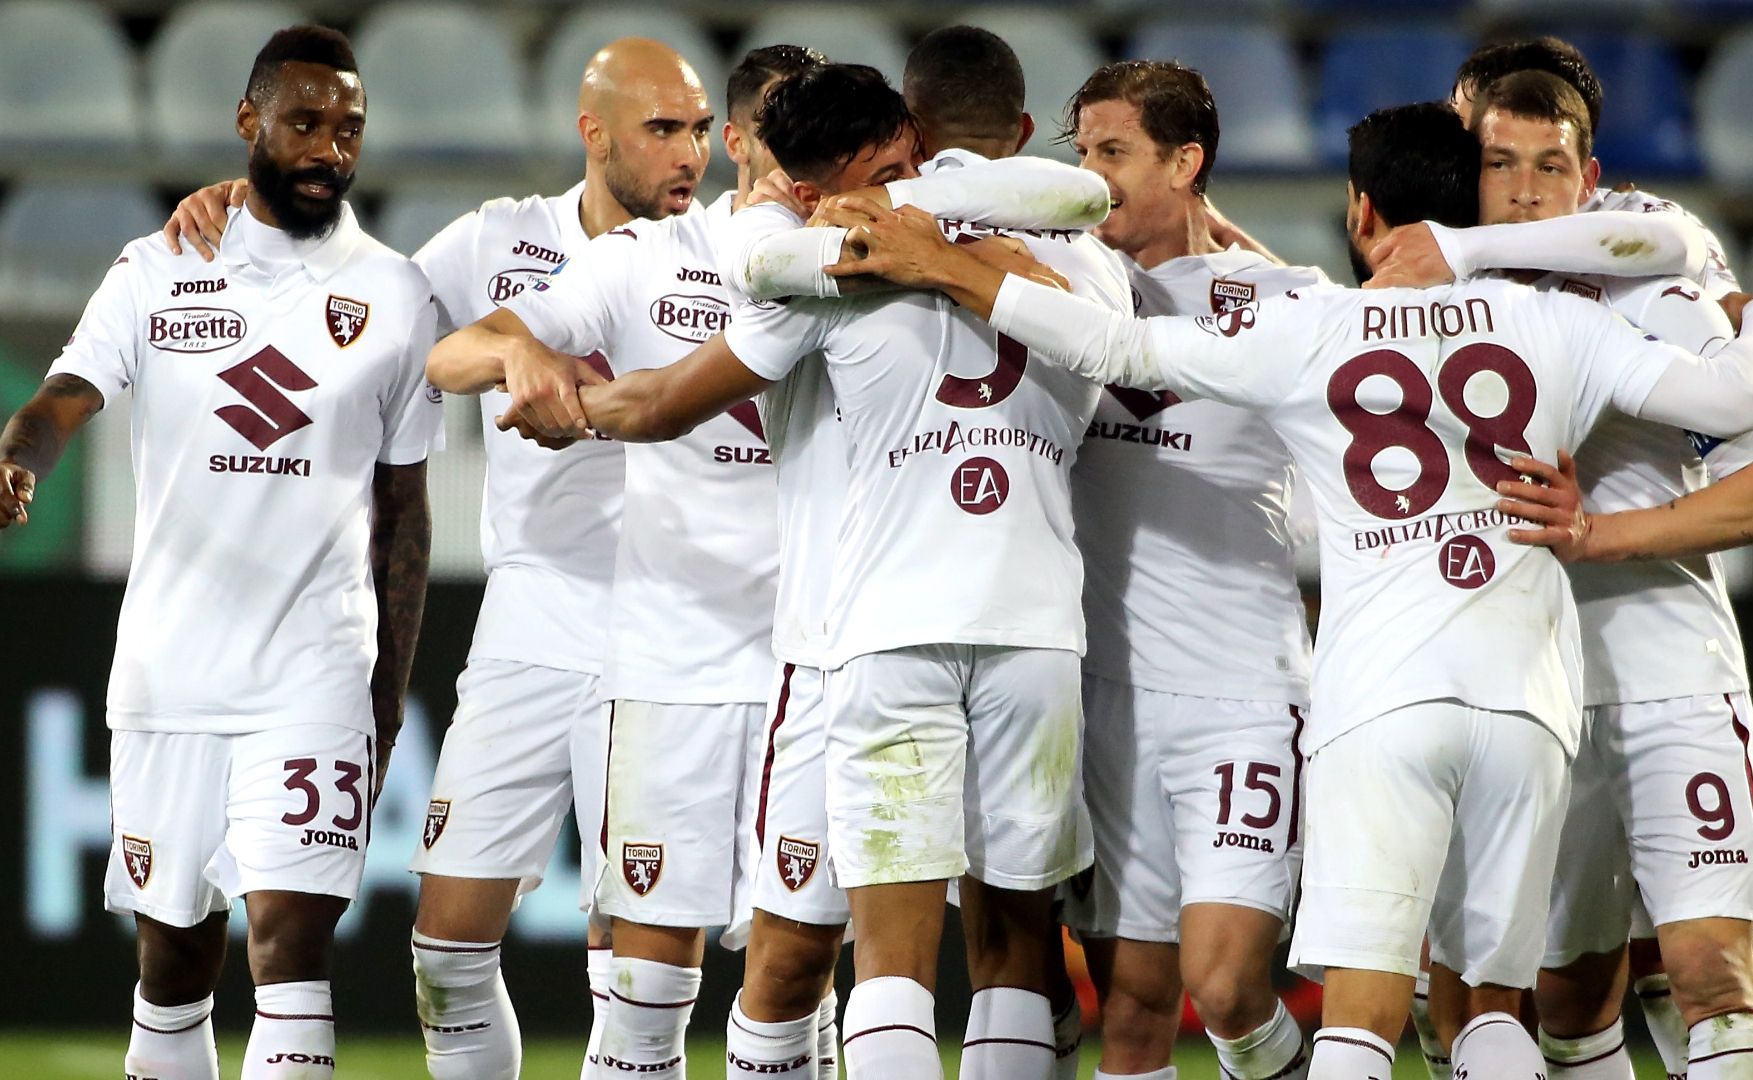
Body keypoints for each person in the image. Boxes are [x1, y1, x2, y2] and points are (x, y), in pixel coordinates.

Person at [819, 100, 1753, 1080]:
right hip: (1527, 702)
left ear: (1361, 211)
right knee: (1491, 1010)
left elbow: (1120, 350)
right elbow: (1731, 402)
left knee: (1361, 1020)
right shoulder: (1556, 322)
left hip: (1380, 702)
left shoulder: (1314, 328)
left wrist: (947, 264)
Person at [160, 37, 829, 1080]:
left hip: (693, 626)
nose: (686, 151)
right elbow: (366, 320)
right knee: (448, 946)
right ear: (593, 132)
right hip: (536, 621)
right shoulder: (503, 241)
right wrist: (250, 213)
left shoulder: (752, 258)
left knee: (668, 955)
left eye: (699, 129)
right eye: (662, 129)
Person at [501, 57, 1129, 1080]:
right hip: (1035, 631)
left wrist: (568, 408)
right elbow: (1093, 243)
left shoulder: (821, 270)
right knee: (1016, 944)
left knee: (887, 958)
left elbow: (663, 402)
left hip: (877, 639)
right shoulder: (1067, 250)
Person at [0, 25, 439, 1079]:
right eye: (303, 121)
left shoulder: (396, 292)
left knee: (290, 945)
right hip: (171, 671)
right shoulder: (157, 267)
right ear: (249, 123)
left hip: (314, 670)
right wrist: (16, 457)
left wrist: (383, 696)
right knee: (173, 961)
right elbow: (66, 397)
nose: (329, 146)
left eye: (349, 128)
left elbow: (405, 516)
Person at [1453, 72, 1753, 1080]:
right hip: (1530, 696)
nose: (1522, 191)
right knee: (1565, 999)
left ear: (1587, 178)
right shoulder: (1436, 302)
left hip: (1669, 673)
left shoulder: (1659, 303)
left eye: (1548, 166)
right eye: (1498, 165)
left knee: (1711, 975)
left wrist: (1597, 532)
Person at [1053, 59, 1320, 1080]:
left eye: (1113, 153)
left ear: (1187, 160)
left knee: (1230, 990)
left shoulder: (1291, 301)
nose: (1089, 176)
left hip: (1241, 695)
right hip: (1103, 693)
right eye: (1080, 154)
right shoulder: (1069, 281)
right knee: (1129, 1011)